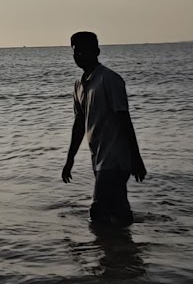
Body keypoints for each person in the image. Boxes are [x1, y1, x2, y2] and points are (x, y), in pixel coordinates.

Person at [61, 31, 147, 226]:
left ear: (97, 52)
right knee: (118, 209)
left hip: (115, 157)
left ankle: (105, 249)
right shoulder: (79, 85)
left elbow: (125, 119)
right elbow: (79, 125)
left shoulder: (109, 79)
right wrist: (69, 159)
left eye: (85, 51)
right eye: (76, 52)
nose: (80, 56)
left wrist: (136, 158)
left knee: (98, 210)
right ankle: (126, 250)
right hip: (98, 157)